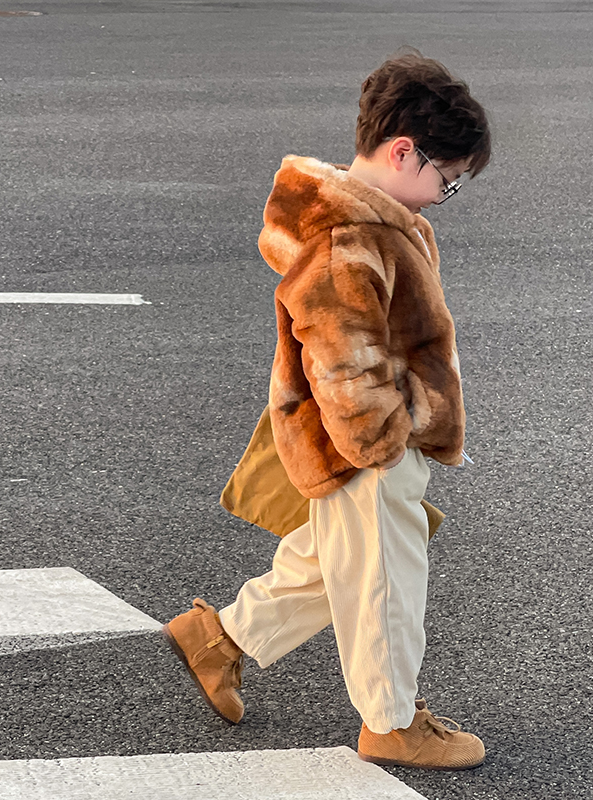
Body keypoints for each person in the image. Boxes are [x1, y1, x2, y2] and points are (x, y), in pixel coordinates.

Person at [163, 51, 492, 771]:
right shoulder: (353, 235)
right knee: (383, 577)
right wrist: (382, 443)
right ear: (405, 151)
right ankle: (391, 722)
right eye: (449, 178)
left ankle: (219, 640)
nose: (448, 193)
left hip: (371, 436)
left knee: (336, 560)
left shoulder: (371, 220)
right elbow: (340, 350)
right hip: (367, 439)